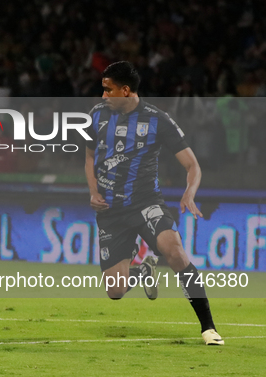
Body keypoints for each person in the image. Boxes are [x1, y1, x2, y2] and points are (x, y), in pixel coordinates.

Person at [84, 61, 223, 345]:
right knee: (115, 291)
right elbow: (88, 158)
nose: (103, 96)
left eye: (108, 90)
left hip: (145, 202)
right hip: (110, 211)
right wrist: (93, 192)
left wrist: (189, 192)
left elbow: (192, 165)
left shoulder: (157, 120)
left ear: (125, 91)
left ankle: (208, 328)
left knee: (174, 251)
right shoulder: (97, 115)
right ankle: (142, 269)